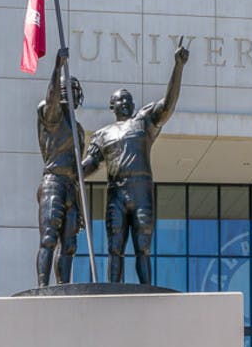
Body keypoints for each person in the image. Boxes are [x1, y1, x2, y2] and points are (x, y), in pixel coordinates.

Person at [82, 41, 189, 284]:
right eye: (121, 100)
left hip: (141, 189)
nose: (126, 103)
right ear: (112, 106)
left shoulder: (144, 122)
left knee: (143, 245)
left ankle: (146, 289)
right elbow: (89, 164)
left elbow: (168, 105)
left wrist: (178, 67)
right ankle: (113, 290)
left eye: (129, 99)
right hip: (116, 192)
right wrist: (71, 171)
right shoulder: (103, 134)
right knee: (115, 246)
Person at [36, 48, 85, 287]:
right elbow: (52, 97)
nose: (75, 96)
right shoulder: (53, 118)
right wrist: (57, 67)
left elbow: (79, 169)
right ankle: (43, 286)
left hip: (70, 187)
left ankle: (63, 285)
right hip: (53, 182)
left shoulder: (79, 130)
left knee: (69, 244)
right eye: (71, 91)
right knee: (48, 238)